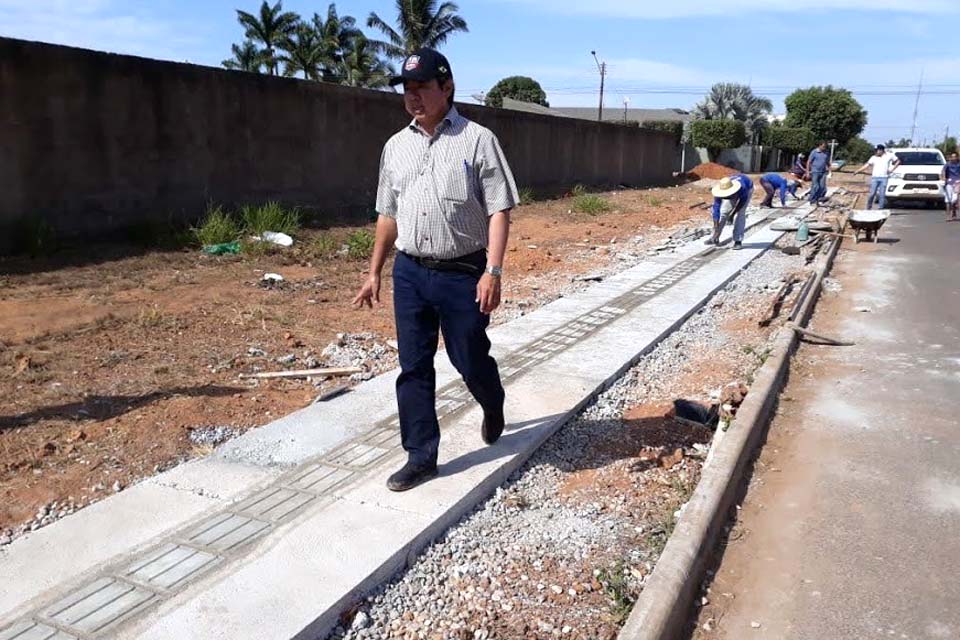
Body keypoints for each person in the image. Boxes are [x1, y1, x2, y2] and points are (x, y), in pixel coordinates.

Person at [352, 48, 518, 492]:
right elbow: (388, 215)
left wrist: (494, 272)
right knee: (413, 367)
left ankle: (492, 398)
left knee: (467, 355)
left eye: (422, 87)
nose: (413, 97)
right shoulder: (395, 147)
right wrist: (375, 272)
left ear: (446, 87)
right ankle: (421, 456)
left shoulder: (477, 140)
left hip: (462, 272)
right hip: (410, 272)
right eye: (407, 89)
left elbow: (499, 210)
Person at [706, 173, 754, 249]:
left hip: (748, 188)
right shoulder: (719, 192)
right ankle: (715, 237)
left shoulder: (743, 188)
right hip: (735, 191)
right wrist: (715, 222)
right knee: (724, 212)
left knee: (740, 214)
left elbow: (741, 203)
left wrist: (732, 215)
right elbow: (716, 208)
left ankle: (738, 241)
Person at [853, 144, 900, 210]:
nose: (876, 152)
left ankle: (880, 208)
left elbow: (898, 161)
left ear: (881, 150)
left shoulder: (889, 155)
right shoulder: (873, 157)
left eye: (877, 150)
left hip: (884, 178)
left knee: (882, 194)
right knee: (872, 194)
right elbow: (867, 165)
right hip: (875, 178)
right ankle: (868, 207)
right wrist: (858, 171)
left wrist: (891, 170)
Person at [942, 151, 960, 221]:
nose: (953, 158)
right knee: (948, 200)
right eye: (952, 157)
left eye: (955, 157)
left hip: (957, 183)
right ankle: (948, 216)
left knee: (954, 200)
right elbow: (943, 172)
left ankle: (954, 212)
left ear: (957, 157)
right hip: (949, 183)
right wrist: (944, 178)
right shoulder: (947, 165)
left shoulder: (959, 165)